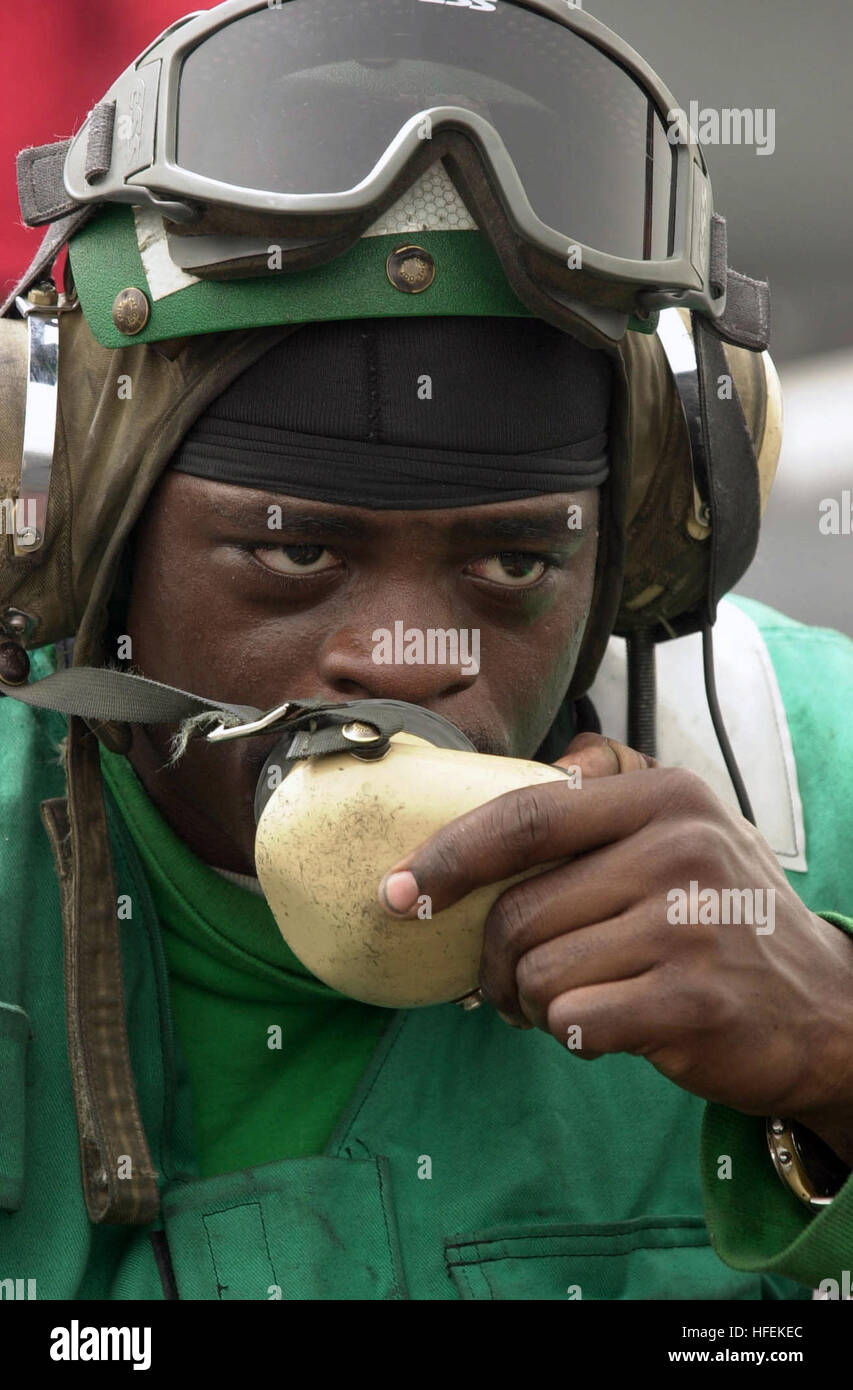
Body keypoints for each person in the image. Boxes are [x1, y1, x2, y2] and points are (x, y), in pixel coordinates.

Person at [0, 0, 851, 1301]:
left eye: (514, 562)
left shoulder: (807, 768)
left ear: (636, 552)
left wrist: (836, 1056)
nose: (404, 657)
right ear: (76, 537)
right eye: (294, 553)